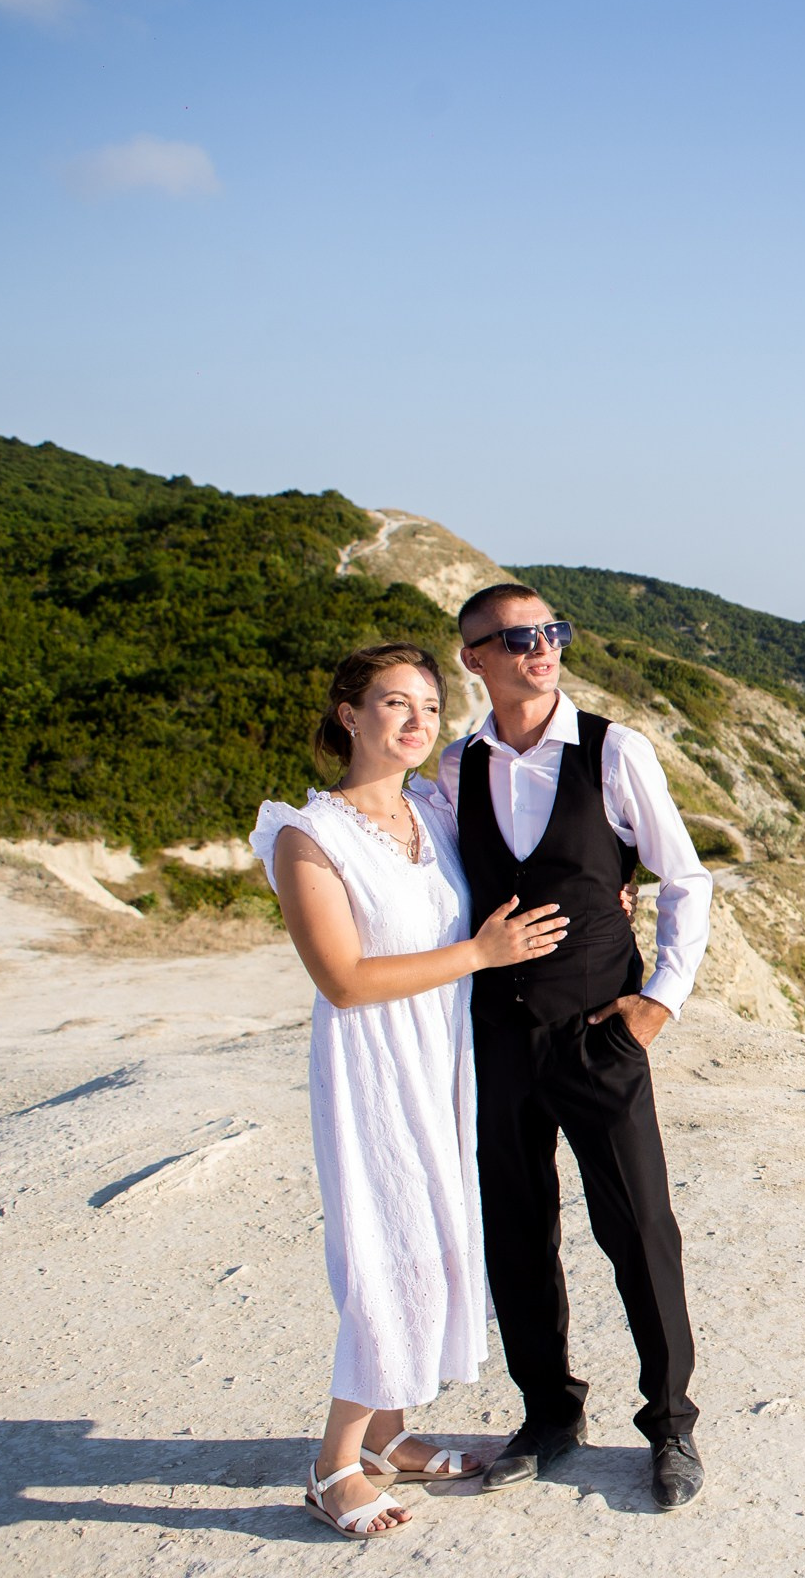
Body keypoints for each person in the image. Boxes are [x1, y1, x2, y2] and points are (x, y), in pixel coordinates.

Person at [250, 643, 572, 1540]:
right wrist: (478, 956)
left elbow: (527, 855)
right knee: (387, 1253)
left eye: (430, 706)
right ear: (349, 715)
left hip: (444, 1055)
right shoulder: (307, 835)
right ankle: (332, 1466)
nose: (417, 722)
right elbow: (343, 978)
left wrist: (606, 900)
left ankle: (390, 1435)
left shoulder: (434, 808)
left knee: (436, 1242)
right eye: (394, 703)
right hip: (374, 1064)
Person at [435, 583, 714, 1510]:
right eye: (514, 639)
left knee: (639, 1230)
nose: (539, 648)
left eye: (549, 631)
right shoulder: (455, 766)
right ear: (474, 656)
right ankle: (549, 1415)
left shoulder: (613, 750)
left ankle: (670, 1425)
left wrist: (657, 1004)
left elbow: (685, 878)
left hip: (600, 1032)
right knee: (517, 1235)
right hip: (498, 1038)